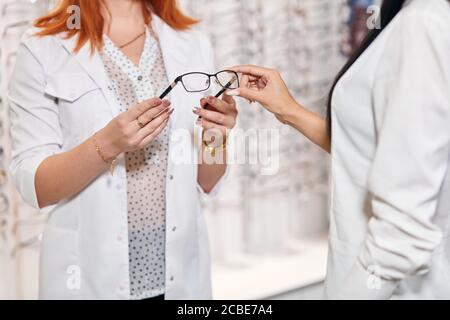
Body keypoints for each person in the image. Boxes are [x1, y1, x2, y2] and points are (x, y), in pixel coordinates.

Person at [8, 0, 237, 300]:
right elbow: (35, 185)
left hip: (180, 279)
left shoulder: (192, 42)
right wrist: (109, 143)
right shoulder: (43, 46)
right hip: (88, 277)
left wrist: (215, 135)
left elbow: (208, 180)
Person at [228, 0, 450, 299]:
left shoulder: (424, 22)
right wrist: (289, 110)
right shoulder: (406, 15)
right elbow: (378, 151)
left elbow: (402, 232)